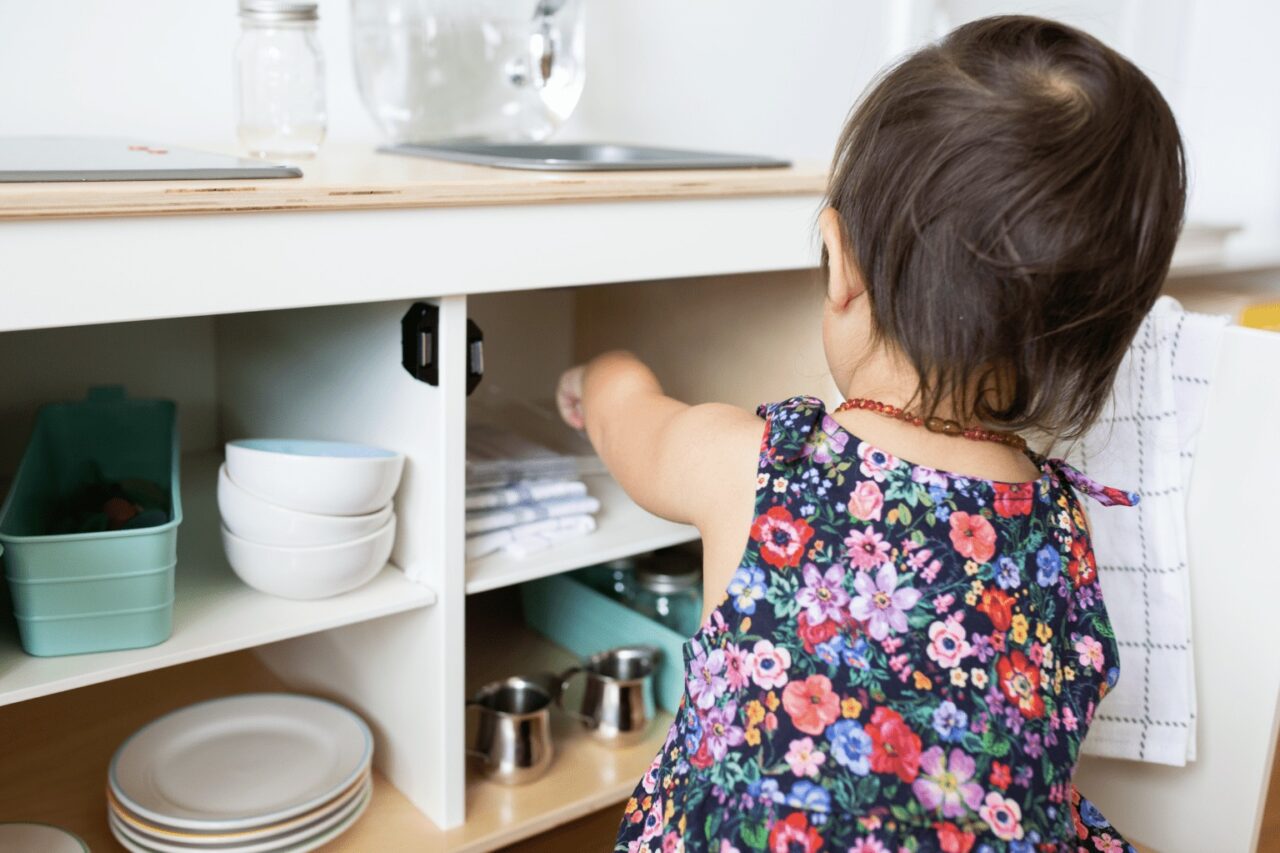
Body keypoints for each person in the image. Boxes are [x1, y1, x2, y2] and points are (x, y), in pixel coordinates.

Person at [556, 14, 1183, 852]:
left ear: (840, 262)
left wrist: (599, 372)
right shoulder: (1064, 528)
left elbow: (631, 425)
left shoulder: (759, 465)